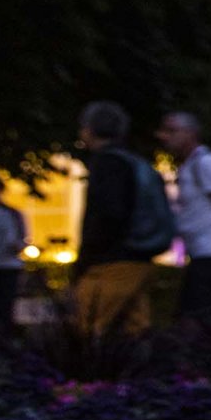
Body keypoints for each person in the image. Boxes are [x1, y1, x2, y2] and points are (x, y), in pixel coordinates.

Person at [73, 101, 164, 338]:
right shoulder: (132, 162)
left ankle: (88, 376)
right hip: (139, 256)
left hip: (111, 261)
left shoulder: (107, 163)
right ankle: (145, 374)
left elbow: (108, 215)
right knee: (135, 329)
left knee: (89, 329)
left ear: (88, 129)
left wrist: (86, 258)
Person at [155, 111, 211, 326]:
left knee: (199, 322)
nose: (165, 137)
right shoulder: (191, 166)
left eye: (172, 131)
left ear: (191, 133)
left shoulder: (207, 164)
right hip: (201, 255)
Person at [0, 172, 26, 335]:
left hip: (6, 268)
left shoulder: (12, 214)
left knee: (4, 309)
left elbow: (21, 239)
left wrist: (17, 246)